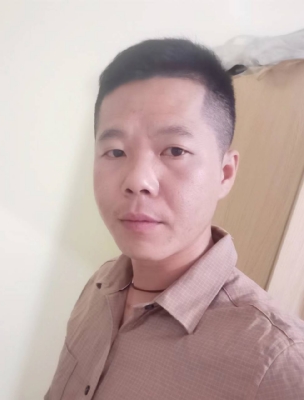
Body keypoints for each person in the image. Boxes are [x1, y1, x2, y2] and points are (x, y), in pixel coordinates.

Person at [44, 38, 304, 399]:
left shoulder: (279, 362)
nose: (138, 180)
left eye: (175, 150)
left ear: (225, 173)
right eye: (115, 152)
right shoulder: (100, 287)